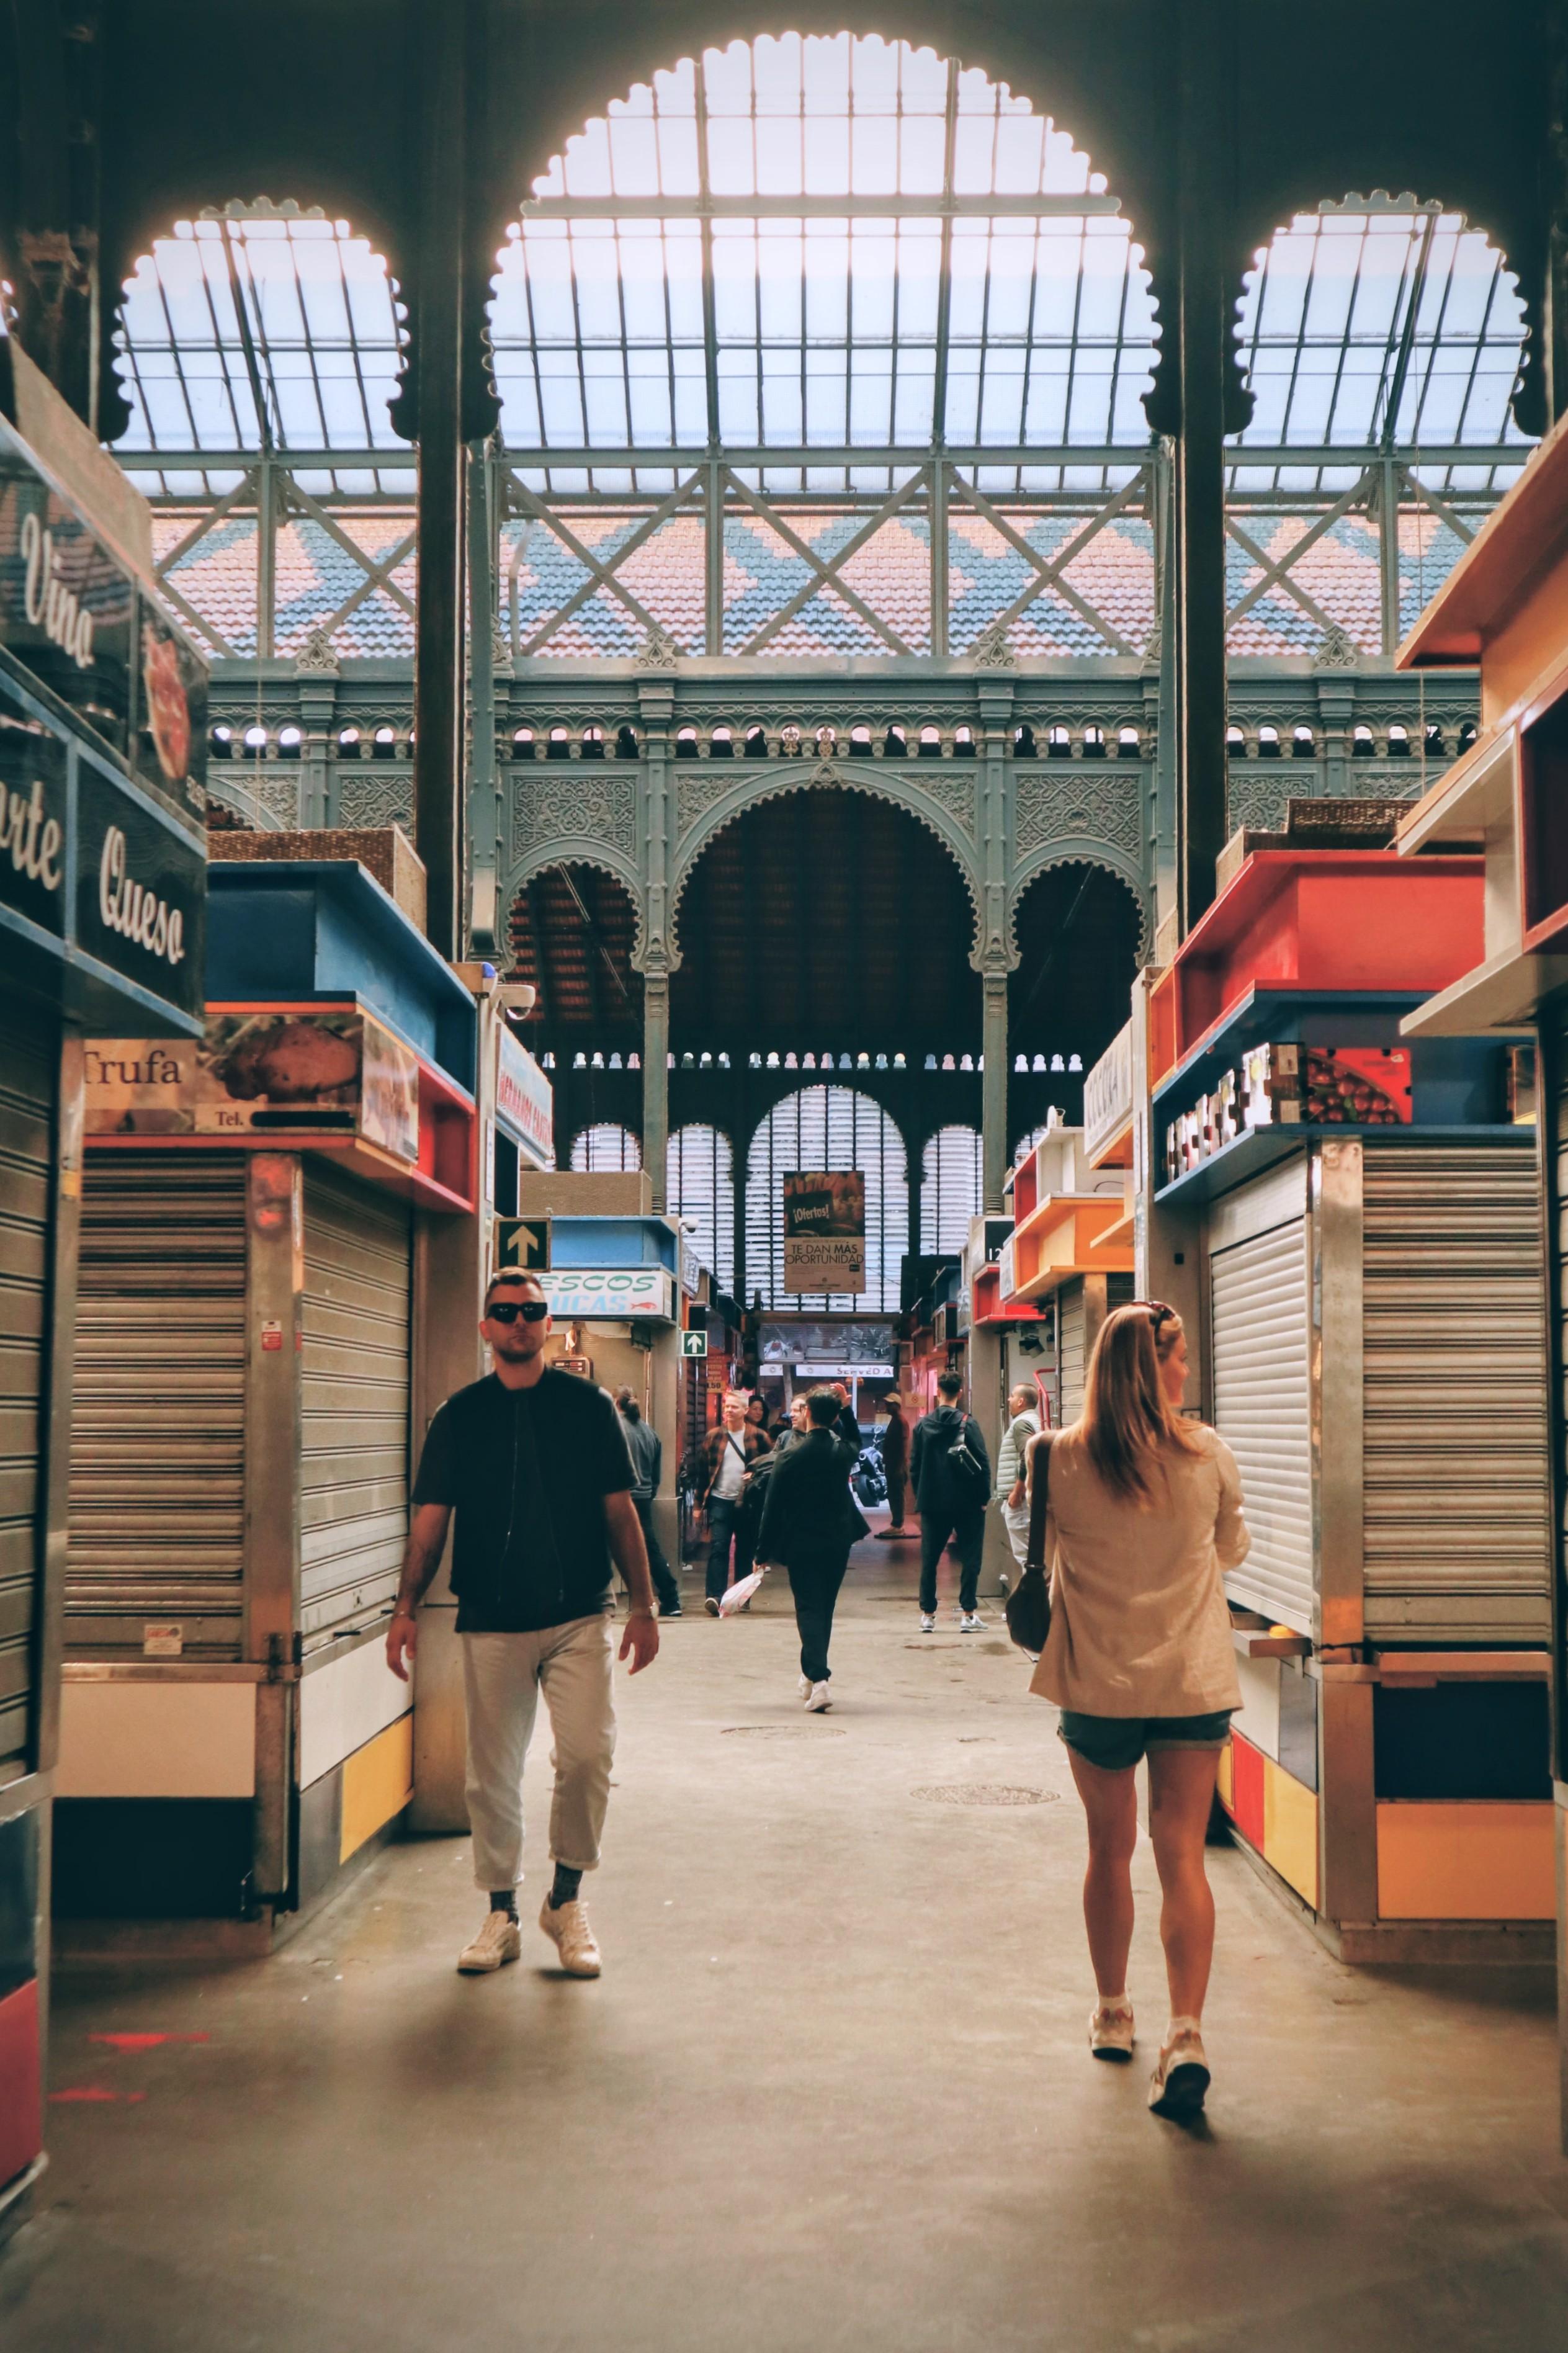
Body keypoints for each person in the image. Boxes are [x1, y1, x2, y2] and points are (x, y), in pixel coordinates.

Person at [386, 1269, 660, 1979]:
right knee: (491, 1775)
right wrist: (405, 1608)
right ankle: (502, 1913)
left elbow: (619, 1511)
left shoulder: (588, 1407)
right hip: (493, 1619)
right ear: (485, 1329)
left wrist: (644, 1604)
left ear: (547, 1323)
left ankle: (564, 1902)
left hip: (577, 1614)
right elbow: (428, 1526)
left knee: (589, 1756)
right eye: (505, 1312)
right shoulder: (460, 1416)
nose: (519, 1322)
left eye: (532, 1311)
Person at [1029, 1301, 1248, 2123]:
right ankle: (1184, 2035)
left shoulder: (1059, 1459)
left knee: (1106, 1848)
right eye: (1180, 1357)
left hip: (1097, 1684)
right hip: (1190, 1681)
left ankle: (1114, 2013)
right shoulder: (1206, 1455)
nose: (1186, 1370)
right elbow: (1230, 1549)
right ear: (1156, 1366)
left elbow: (1042, 1550)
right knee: (1180, 1854)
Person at [756, 1388, 861, 1711]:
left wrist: (762, 1551)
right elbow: (855, 1440)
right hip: (838, 1541)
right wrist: (846, 1408)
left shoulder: (789, 1457)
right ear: (835, 1418)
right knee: (824, 1607)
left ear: (809, 1415)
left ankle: (820, 1679)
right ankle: (809, 1672)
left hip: (802, 1542)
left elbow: (771, 1508)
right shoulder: (842, 1452)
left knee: (809, 1608)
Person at [910, 1370, 991, 1632]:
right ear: (960, 1392)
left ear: (938, 1393)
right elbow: (983, 1464)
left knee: (930, 1559)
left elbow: (915, 1465)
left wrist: (921, 1495)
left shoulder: (923, 1426)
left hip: (933, 1503)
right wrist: (983, 1498)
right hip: (967, 1503)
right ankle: (968, 1615)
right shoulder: (968, 1423)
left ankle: (928, 1616)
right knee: (970, 1558)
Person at [696, 1389, 771, 1615]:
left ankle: (740, 1597)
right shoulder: (714, 1436)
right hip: (720, 1500)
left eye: (734, 1407)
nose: (728, 1410)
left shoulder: (759, 1436)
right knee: (718, 1547)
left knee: (745, 1551)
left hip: (747, 1502)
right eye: (727, 1406)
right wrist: (698, 1505)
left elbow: (772, 1467)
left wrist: (756, 1475)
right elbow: (702, 1472)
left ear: (745, 1411)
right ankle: (715, 1596)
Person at [614, 1386, 681, 1618]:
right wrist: (648, 1493)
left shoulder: (613, 1429)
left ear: (616, 1403)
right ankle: (671, 1599)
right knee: (649, 1550)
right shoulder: (649, 1432)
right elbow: (656, 1476)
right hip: (642, 1499)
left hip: (617, 1498)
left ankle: (598, 1604)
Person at [995, 1381, 1042, 1589]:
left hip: (1020, 1502)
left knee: (1027, 1557)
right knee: (1028, 1556)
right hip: (1022, 1500)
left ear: (1021, 1401)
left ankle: (1034, 1607)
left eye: (1012, 1396)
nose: (1009, 1399)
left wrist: (1018, 1491)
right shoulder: (1031, 1421)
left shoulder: (1022, 1424)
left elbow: (1028, 1456)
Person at [876, 1392, 912, 1540]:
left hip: (897, 1465)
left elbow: (902, 1446)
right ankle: (896, 1524)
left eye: (890, 1404)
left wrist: (898, 1467)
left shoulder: (900, 1422)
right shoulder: (896, 1421)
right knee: (894, 1495)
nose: (887, 1407)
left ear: (897, 1405)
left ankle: (898, 1525)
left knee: (897, 1495)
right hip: (894, 1465)